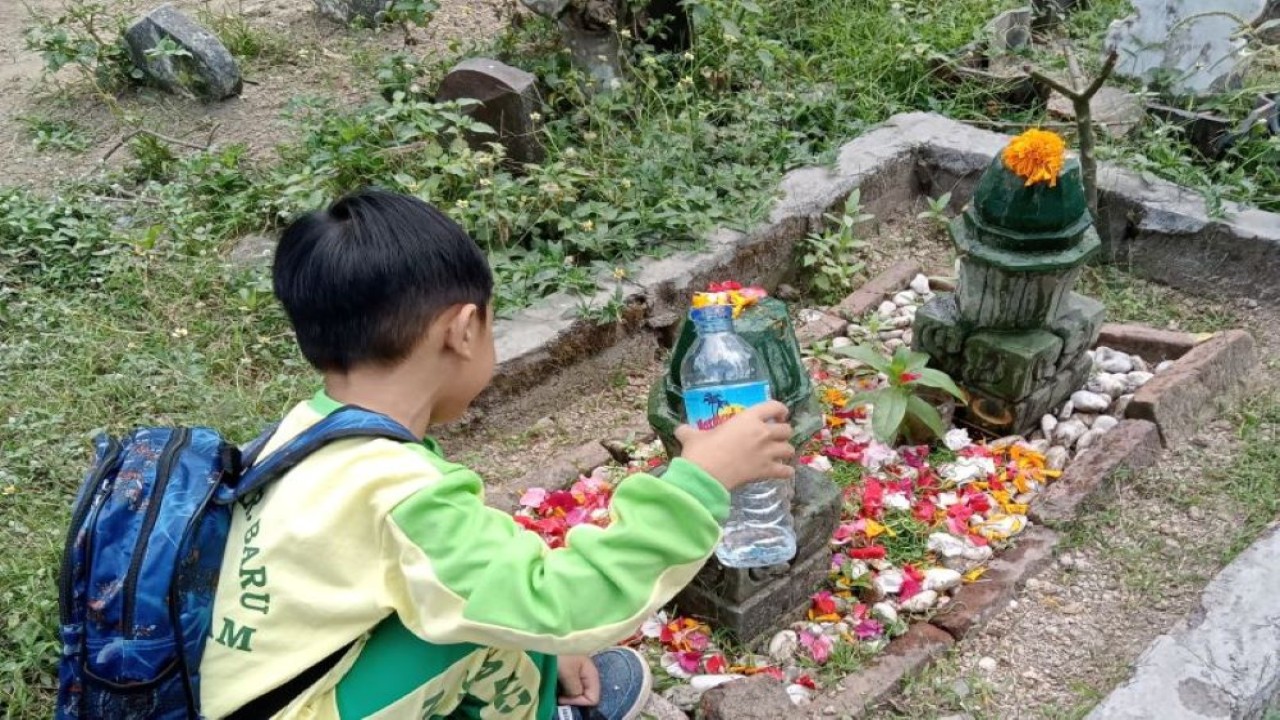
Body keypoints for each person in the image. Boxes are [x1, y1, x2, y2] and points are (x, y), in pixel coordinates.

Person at [199, 189, 796, 720]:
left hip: (265, 686)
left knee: (473, 594)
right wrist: (698, 482)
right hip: (301, 703)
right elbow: (554, 603)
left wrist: (540, 652)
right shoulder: (402, 494)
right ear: (462, 330)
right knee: (479, 616)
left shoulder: (309, 431)